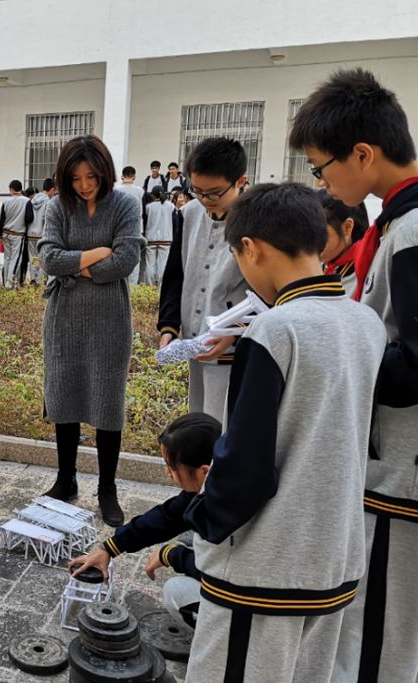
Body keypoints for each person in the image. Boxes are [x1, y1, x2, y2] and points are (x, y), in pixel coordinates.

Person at [183, 182, 385, 683]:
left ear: (250, 248)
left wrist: (204, 519)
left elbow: (245, 464)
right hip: (335, 560)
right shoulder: (366, 323)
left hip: (265, 571)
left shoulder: (275, 329)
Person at [290, 67, 418, 683]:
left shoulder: (413, 233)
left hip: (401, 474)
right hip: (384, 461)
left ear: (362, 154)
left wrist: (335, 351)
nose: (323, 182)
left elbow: (414, 364)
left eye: (322, 166)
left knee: (380, 638)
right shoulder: (398, 225)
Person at [38, 135, 143, 525]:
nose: (84, 185)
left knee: (106, 402)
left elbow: (127, 259)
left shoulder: (125, 205)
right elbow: (48, 257)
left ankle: (107, 488)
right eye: (76, 178)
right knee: (64, 396)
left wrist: (77, 265)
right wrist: (96, 254)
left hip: (110, 318)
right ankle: (66, 480)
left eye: (91, 177)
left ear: (105, 173)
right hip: (64, 318)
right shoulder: (56, 206)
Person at [68, 412, 221, 627]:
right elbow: (165, 518)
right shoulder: (218, 486)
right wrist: (108, 548)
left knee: (176, 592)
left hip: (252, 607)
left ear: (204, 472)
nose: (168, 473)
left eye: (172, 467)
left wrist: (170, 555)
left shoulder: (228, 512)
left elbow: (219, 572)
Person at [156, 138, 250, 423]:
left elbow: (272, 292)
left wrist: (236, 330)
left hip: (239, 346)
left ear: (240, 182)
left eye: (214, 193)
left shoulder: (258, 218)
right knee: (200, 421)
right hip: (197, 341)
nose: (205, 200)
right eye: (197, 191)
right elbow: (175, 275)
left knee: (229, 424)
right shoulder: (188, 214)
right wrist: (169, 326)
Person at [319, 191, 369, 294]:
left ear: (347, 228)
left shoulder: (366, 270)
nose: (312, 245)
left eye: (320, 235)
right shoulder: (321, 265)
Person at [0, 179, 33, 288]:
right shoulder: (27, 201)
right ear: (21, 189)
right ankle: (10, 282)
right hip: (18, 234)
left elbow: (1, 220)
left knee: (7, 257)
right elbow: (29, 218)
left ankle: (5, 282)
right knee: (16, 258)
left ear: (11, 189)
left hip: (5, 233)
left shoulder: (5, 202)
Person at [116, 167, 146, 285]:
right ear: (134, 177)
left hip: (119, 229)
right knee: (135, 258)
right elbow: (144, 211)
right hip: (137, 228)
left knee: (119, 257)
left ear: (122, 177)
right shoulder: (141, 191)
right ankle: (133, 288)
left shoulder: (116, 191)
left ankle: (120, 285)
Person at [25, 178, 55, 285]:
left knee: (33, 257)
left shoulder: (32, 200)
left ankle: (33, 278)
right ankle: (41, 280)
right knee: (42, 257)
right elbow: (47, 219)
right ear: (51, 189)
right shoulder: (49, 202)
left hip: (30, 234)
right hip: (42, 234)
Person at [144, 186, 174, 285]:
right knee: (163, 264)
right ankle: (160, 287)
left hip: (151, 238)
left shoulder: (149, 207)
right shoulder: (170, 206)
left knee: (150, 264)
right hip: (166, 238)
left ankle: (149, 286)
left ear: (153, 195)